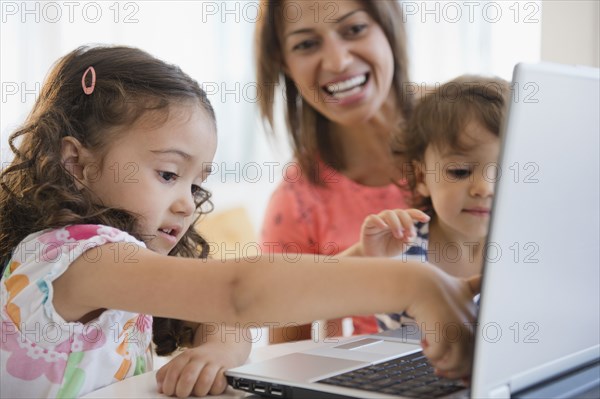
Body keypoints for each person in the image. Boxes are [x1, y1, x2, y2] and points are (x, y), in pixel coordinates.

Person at [0, 45, 478, 398]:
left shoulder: (132, 265)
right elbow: (237, 291)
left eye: (195, 184)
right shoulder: (74, 255)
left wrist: (219, 351)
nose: (187, 204)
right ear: (76, 164)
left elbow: (223, 315)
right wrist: (410, 281)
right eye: (168, 173)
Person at [255, 0, 414, 340]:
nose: (338, 61)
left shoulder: (479, 132)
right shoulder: (295, 202)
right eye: (307, 44)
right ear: (284, 62)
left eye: (354, 29)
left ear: (390, 24)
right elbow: (286, 358)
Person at [344, 76, 510, 330]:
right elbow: (320, 285)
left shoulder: (521, 251)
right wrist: (367, 254)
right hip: (404, 369)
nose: (485, 189)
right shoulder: (401, 245)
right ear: (421, 177)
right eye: (460, 171)